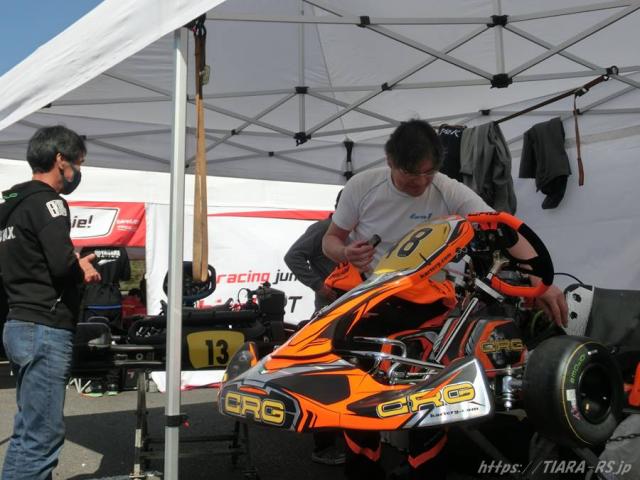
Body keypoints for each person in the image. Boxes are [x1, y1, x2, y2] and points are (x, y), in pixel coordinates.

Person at [322, 119, 568, 480]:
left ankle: (425, 467)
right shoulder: (362, 186)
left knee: (431, 391)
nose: (421, 182)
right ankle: (363, 469)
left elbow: (500, 226)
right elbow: (330, 240)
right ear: (390, 161)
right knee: (361, 390)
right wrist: (345, 252)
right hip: (373, 300)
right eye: (412, 174)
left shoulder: (446, 187)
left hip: (429, 304)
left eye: (428, 172)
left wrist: (541, 279)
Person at [0, 125, 101, 480]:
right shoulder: (50, 203)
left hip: (18, 322)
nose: (78, 171)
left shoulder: (9, 204)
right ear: (61, 160)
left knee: (28, 430)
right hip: (44, 325)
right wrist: (81, 267)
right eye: (78, 163)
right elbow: (60, 265)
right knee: (43, 434)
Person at [284, 191, 345, 465]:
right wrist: (319, 285)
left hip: (356, 314)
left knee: (351, 378)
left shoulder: (360, 231)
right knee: (327, 380)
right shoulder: (323, 228)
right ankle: (323, 446)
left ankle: (348, 437)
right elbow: (293, 256)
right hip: (329, 315)